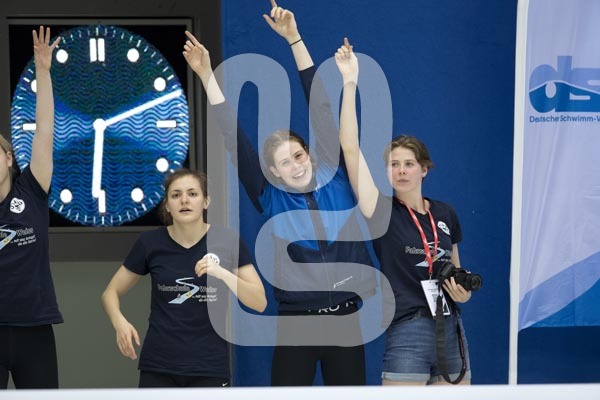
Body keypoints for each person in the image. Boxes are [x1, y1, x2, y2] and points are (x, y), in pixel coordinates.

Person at [183, 0, 376, 386]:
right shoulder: (269, 196)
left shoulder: (336, 177)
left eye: (298, 155)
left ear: (310, 154)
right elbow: (233, 138)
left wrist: (294, 39)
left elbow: (320, 107)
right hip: (295, 323)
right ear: (273, 172)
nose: (296, 165)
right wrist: (206, 76)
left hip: (346, 320)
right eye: (284, 163)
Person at [336, 39, 473, 385]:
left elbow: (456, 270)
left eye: (409, 164)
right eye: (394, 164)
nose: (401, 170)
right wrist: (350, 82)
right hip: (408, 330)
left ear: (424, 169)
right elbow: (350, 149)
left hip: (451, 327)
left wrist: (464, 291)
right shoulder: (381, 210)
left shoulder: (445, 213)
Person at [101, 168, 266, 388]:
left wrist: (222, 273)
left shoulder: (227, 241)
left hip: (209, 366)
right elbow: (110, 293)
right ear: (167, 205)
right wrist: (119, 322)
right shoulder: (150, 242)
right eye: (176, 195)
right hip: (159, 365)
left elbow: (259, 301)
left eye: (193, 194)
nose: (184, 200)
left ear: (206, 201)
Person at [0, 26, 62, 390]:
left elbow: (45, 130)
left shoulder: (32, 189)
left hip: (34, 328)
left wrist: (42, 71)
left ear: (9, 158)